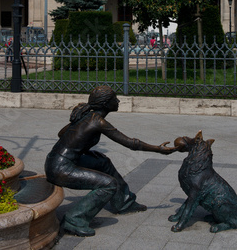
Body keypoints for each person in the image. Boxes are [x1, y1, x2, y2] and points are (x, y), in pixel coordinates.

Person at [45, 85, 176, 237]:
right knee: (109, 184)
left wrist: (77, 130)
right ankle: (74, 219)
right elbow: (131, 143)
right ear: (106, 103)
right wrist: (158, 149)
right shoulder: (97, 121)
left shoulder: (89, 116)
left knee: (102, 161)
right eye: (114, 98)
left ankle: (124, 202)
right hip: (60, 168)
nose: (118, 100)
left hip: (56, 160)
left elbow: (62, 134)